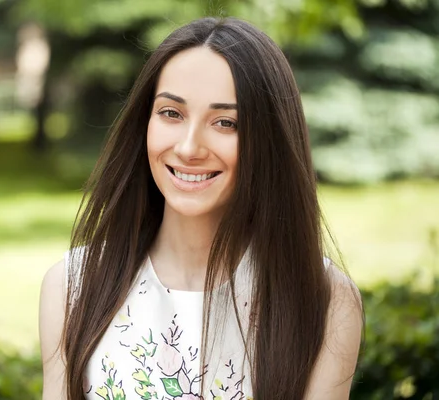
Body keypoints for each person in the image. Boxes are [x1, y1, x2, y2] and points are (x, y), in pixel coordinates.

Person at [39, 17, 363, 400]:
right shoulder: (73, 286)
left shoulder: (324, 300)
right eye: (171, 114)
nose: (189, 148)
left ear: (268, 139)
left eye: (226, 122)